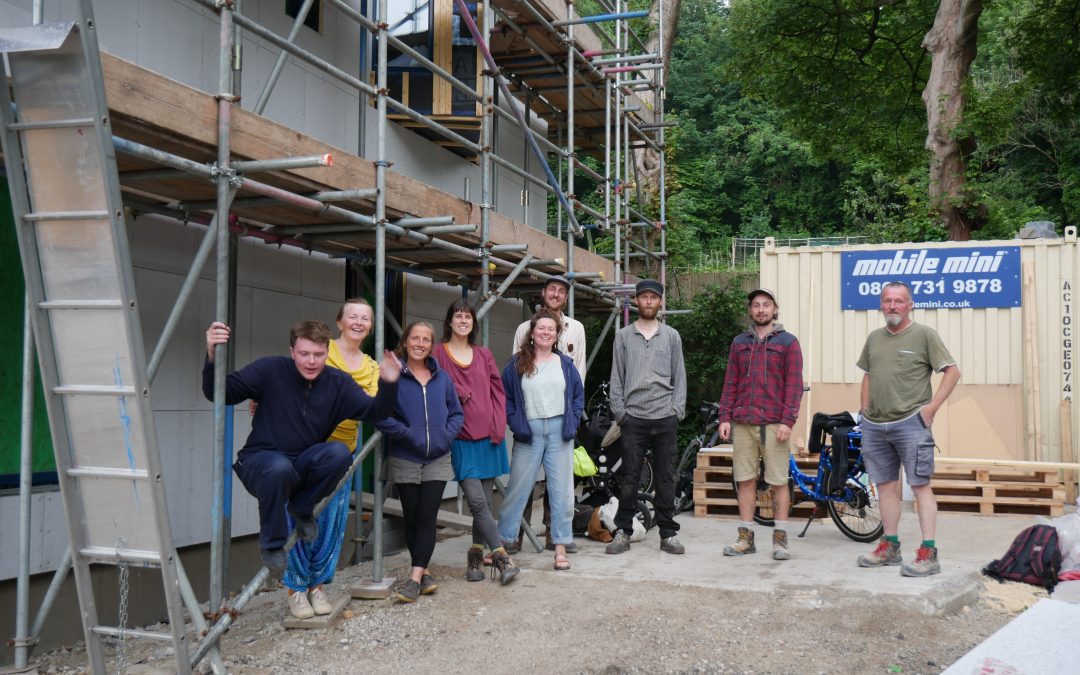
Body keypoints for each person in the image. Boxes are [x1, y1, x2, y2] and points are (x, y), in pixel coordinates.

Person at [202, 319, 401, 578]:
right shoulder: (270, 369)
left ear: (327, 354)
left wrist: (388, 383)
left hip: (303, 463)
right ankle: (272, 543)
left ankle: (302, 507)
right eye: (304, 354)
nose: (311, 361)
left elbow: (375, 411)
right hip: (260, 462)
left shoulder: (337, 383)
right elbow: (219, 393)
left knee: (340, 453)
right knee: (278, 467)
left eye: (318, 355)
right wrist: (211, 355)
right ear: (292, 351)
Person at [282, 299, 381, 619]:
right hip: (304, 447)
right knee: (299, 515)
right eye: (352, 316)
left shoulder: (371, 366)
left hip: (343, 454)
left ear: (371, 325)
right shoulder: (323, 351)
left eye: (365, 318)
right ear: (339, 321)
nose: (358, 322)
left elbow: (378, 407)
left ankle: (318, 586)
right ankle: (296, 589)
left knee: (332, 522)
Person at [855, 281, 960, 577]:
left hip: (910, 423)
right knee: (885, 486)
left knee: (920, 486)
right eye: (887, 300)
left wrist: (932, 407)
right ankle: (890, 545)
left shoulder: (924, 335)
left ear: (910, 304)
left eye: (899, 301)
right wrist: (864, 411)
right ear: (881, 305)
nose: (892, 306)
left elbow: (952, 371)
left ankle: (929, 553)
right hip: (875, 426)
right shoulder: (874, 338)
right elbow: (867, 375)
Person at [432, 300, 520, 585]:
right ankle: (502, 557)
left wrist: (497, 426)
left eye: (467, 316)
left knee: (481, 503)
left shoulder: (483, 355)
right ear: (449, 322)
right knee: (479, 503)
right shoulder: (438, 353)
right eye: (457, 315)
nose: (462, 320)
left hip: (489, 436)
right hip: (461, 438)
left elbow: (498, 393)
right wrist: (455, 388)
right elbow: (434, 381)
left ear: (473, 323)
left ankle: (474, 558)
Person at [375, 322, 464, 602]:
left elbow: (456, 414)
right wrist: (406, 435)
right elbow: (380, 414)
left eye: (426, 339)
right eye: (415, 338)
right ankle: (424, 571)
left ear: (431, 345)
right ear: (406, 341)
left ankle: (413, 580)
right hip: (405, 456)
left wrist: (445, 438)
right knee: (412, 519)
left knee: (427, 518)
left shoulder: (442, 378)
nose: (420, 343)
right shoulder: (393, 376)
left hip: (438, 457)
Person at [717, 288, 804, 560]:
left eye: (766, 305)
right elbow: (730, 381)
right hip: (742, 421)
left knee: (778, 482)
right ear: (750, 310)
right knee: (745, 480)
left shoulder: (789, 343)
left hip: (774, 424)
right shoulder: (739, 342)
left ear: (775, 309)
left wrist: (788, 420)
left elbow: (794, 385)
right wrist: (725, 416)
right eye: (756, 305)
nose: (761, 310)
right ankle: (746, 537)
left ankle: (780, 540)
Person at [499, 310, 584, 572]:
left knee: (561, 492)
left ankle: (560, 547)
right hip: (529, 431)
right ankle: (502, 544)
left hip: (560, 431)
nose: (545, 332)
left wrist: (572, 421)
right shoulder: (516, 364)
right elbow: (506, 399)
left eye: (551, 329)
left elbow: (577, 398)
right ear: (532, 333)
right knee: (517, 489)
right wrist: (515, 423)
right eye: (541, 329)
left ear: (557, 334)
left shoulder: (565, 365)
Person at [606, 279, 687, 556]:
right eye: (644, 297)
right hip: (634, 418)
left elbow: (680, 377)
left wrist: (677, 411)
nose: (649, 301)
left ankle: (668, 534)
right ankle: (623, 532)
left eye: (654, 297)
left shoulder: (672, 336)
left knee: (666, 477)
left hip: (665, 416)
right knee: (629, 477)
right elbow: (616, 377)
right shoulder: (624, 336)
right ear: (636, 302)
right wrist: (620, 413)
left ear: (660, 301)